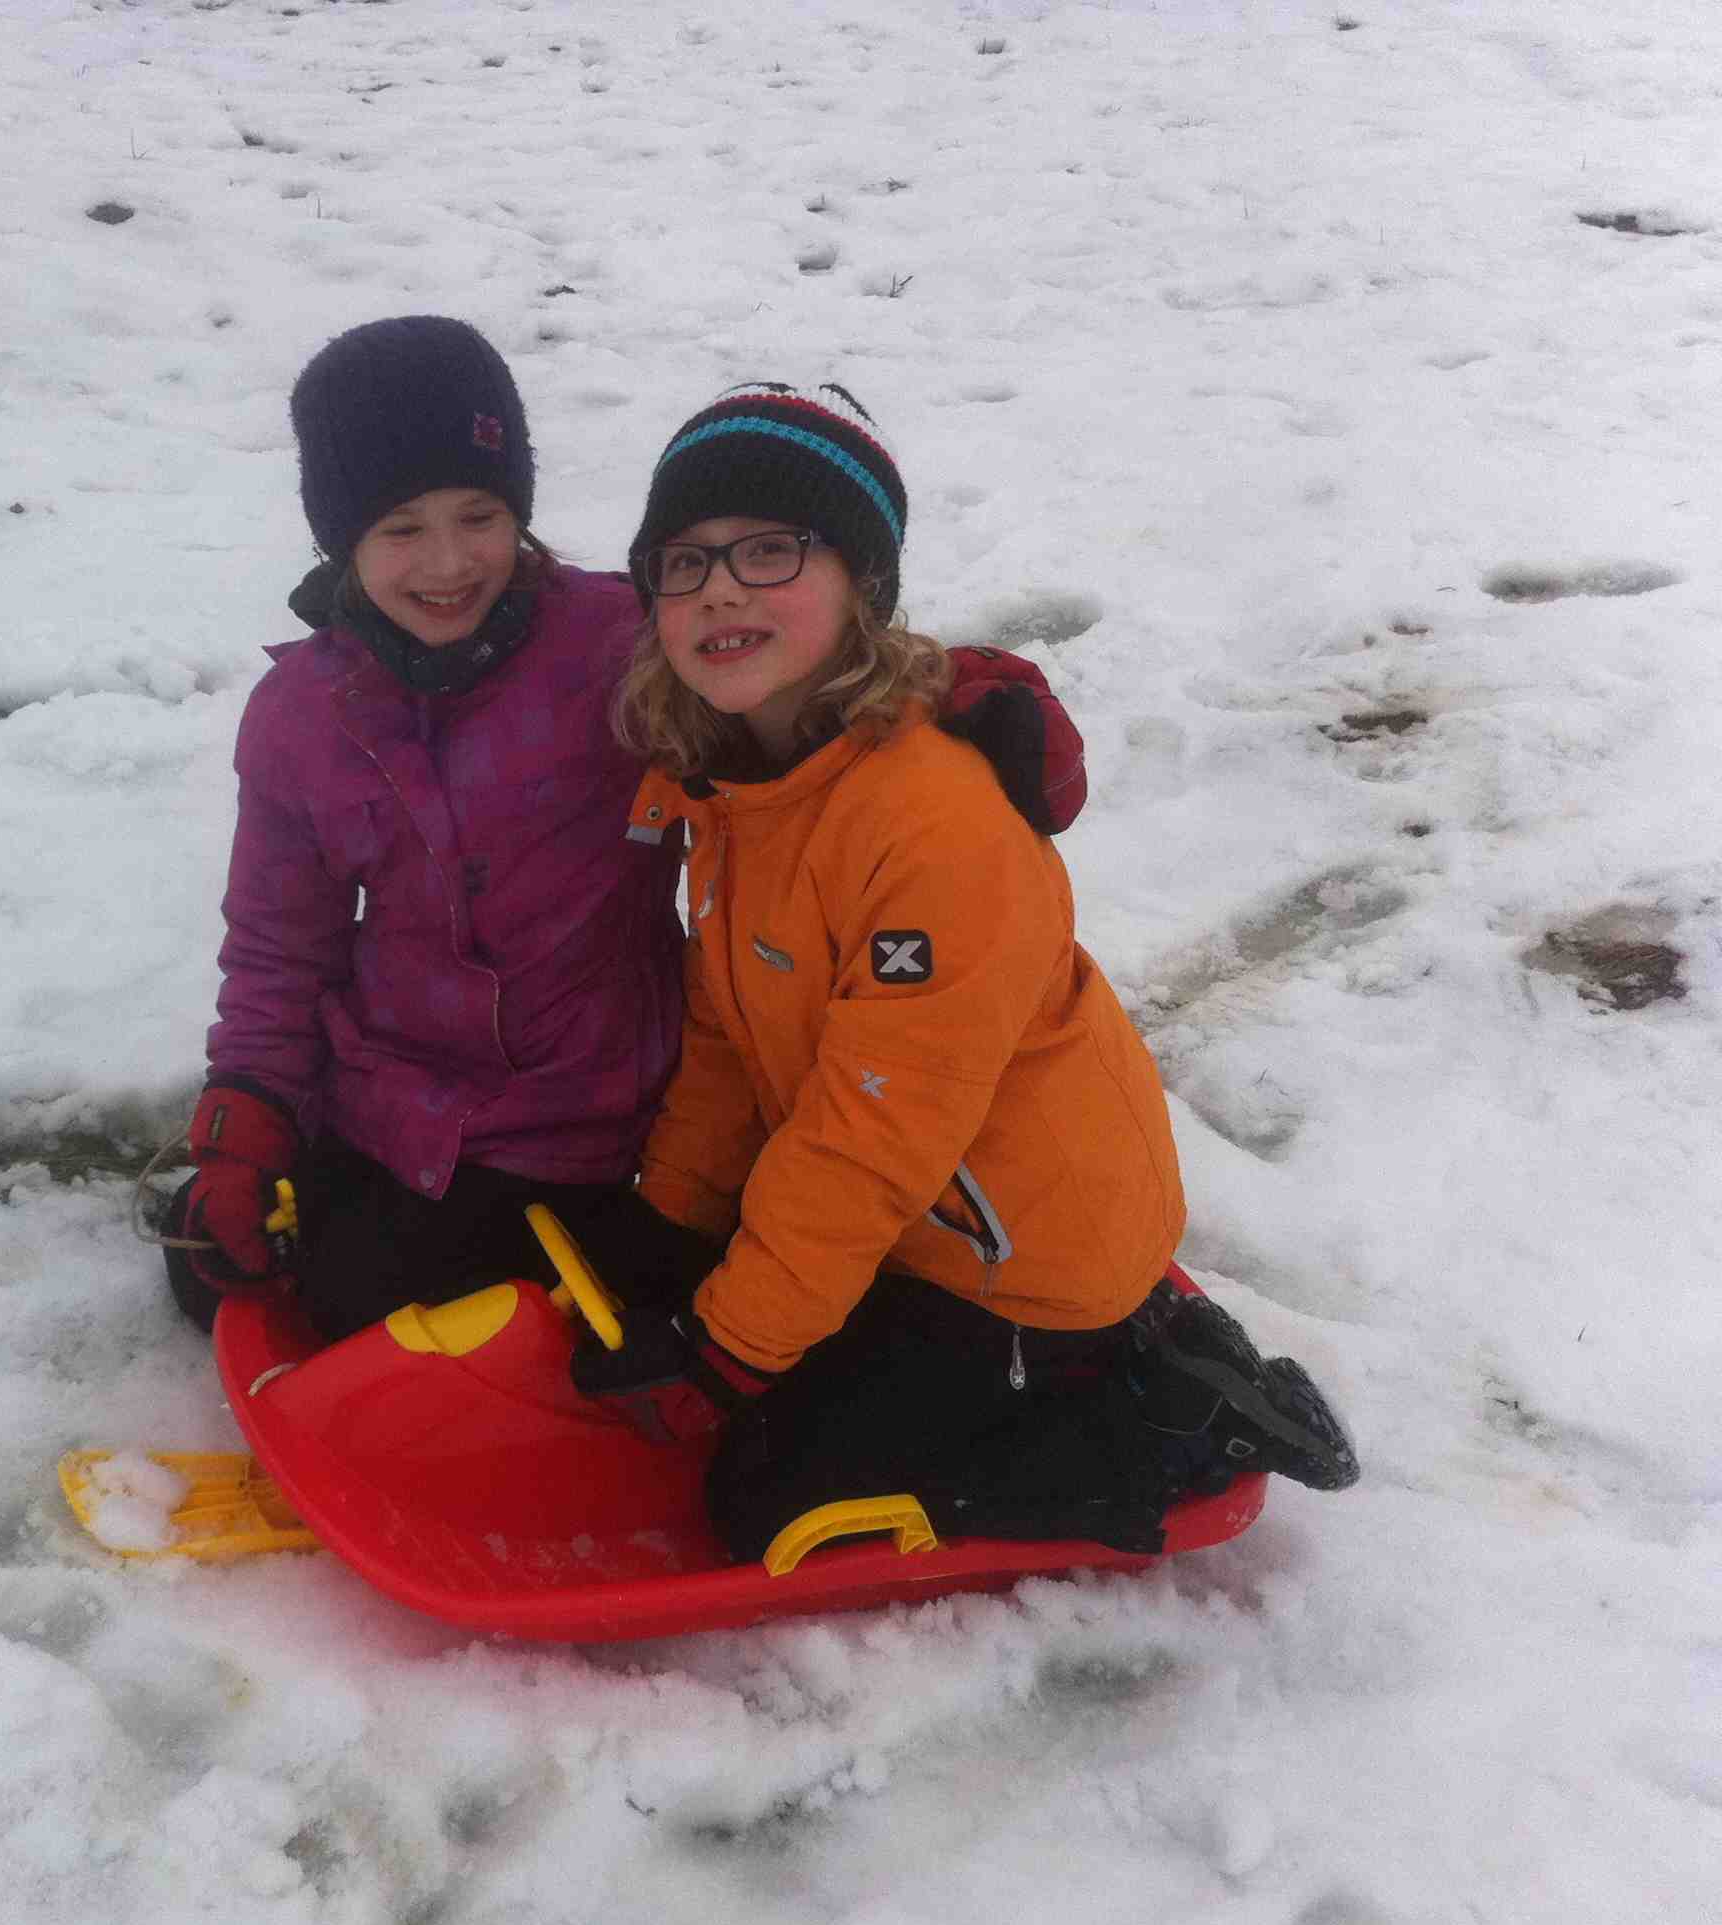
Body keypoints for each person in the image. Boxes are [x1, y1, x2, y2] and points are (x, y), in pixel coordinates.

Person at [168, 321, 1089, 1346]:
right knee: (229, 1280)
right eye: (398, 530)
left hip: (588, 1120)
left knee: (434, 1329)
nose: (446, 563)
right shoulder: (301, 714)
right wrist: (242, 1122)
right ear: (340, 539)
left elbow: (793, 659)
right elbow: (276, 947)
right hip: (389, 1101)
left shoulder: (618, 646)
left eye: (480, 516)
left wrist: (963, 691)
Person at [570, 379, 1359, 1562]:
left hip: (1025, 1264)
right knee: (692, 1369)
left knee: (764, 1502)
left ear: (864, 589)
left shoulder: (931, 824)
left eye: (771, 550)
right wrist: (671, 1226)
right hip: (912, 1225)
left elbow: (873, 1128)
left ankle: (1158, 1413)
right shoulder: (738, 785)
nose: (720, 586)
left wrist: (730, 1343)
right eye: (684, 561)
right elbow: (735, 1038)